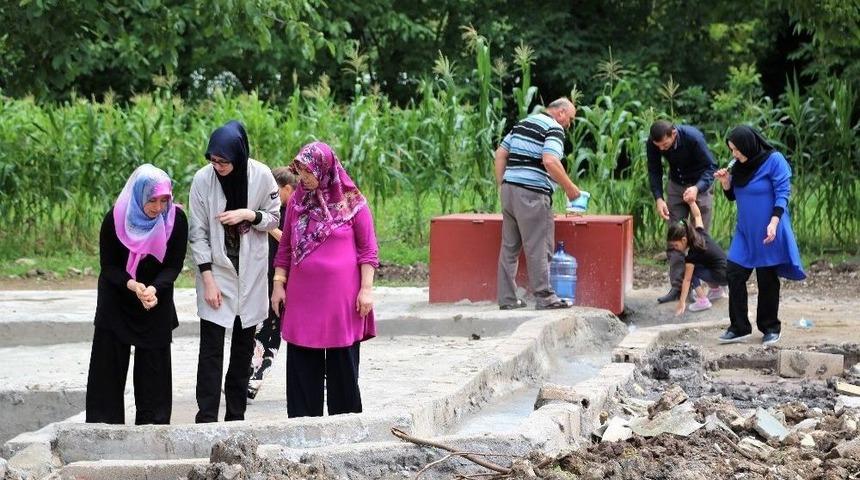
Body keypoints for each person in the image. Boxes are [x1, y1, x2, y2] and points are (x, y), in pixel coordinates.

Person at [270, 141, 378, 418]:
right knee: (303, 359)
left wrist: (366, 290)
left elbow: (368, 250)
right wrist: (278, 285)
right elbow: (285, 248)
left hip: (341, 299)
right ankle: (303, 423)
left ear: (325, 169)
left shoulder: (353, 202)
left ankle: (345, 424)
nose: (303, 178)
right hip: (303, 298)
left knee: (343, 363)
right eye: (300, 171)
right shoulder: (297, 201)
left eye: (308, 172)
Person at [189, 120, 280, 422]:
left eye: (223, 161)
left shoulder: (262, 175)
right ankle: (205, 416)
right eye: (213, 160)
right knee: (211, 348)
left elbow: (274, 219)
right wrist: (208, 280)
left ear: (238, 155)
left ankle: (235, 415)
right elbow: (198, 233)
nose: (218, 166)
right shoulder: (203, 180)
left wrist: (249, 215)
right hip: (215, 272)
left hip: (250, 272)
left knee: (243, 349)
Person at [86, 164, 187, 425]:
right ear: (139, 195)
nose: (158, 207)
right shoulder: (116, 219)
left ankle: (152, 429)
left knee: (154, 369)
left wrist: (153, 289)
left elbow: (173, 265)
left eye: (164, 200)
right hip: (117, 298)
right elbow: (108, 267)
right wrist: (133, 286)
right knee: (107, 369)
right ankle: (103, 429)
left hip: (155, 299)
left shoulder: (175, 220)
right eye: (152, 200)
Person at [714, 125, 806, 345]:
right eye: (731, 150)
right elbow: (735, 196)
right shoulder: (738, 166)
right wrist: (727, 184)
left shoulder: (775, 161)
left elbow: (783, 194)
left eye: (736, 149)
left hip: (769, 230)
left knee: (767, 279)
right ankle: (739, 327)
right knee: (734, 273)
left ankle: (770, 327)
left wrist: (774, 222)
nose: (734, 154)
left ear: (748, 145)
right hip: (745, 231)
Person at [495, 97, 581, 310]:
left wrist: (502, 185)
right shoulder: (554, 128)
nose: (569, 124)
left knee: (509, 247)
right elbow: (550, 160)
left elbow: (500, 154)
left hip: (509, 191)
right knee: (540, 246)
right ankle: (545, 297)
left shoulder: (522, 123)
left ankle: (507, 299)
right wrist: (571, 189)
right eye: (570, 118)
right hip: (532, 194)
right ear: (560, 112)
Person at [647, 120, 718, 304]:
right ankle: (677, 288)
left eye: (665, 145)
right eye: (658, 146)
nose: (662, 149)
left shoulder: (693, 138)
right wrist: (658, 198)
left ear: (674, 134)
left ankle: (700, 289)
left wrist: (697, 188)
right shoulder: (654, 143)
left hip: (699, 187)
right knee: (675, 239)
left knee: (698, 240)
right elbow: (654, 170)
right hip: (676, 186)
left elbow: (712, 167)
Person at [247, 166, 298, 400]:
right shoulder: (277, 208)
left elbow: (288, 240)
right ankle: (251, 375)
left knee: (273, 327)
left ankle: (255, 376)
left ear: (287, 188)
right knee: (265, 325)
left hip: (286, 277)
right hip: (268, 274)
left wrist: (268, 224)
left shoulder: (294, 211)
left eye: (276, 191)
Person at [667, 200, 728, 316]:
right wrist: (691, 202)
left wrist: (681, 302)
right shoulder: (700, 232)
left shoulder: (692, 255)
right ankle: (716, 290)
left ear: (684, 240)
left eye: (676, 245)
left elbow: (687, 280)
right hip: (727, 271)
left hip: (723, 276)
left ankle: (702, 300)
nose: (675, 248)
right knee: (703, 264)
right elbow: (697, 215)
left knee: (691, 271)